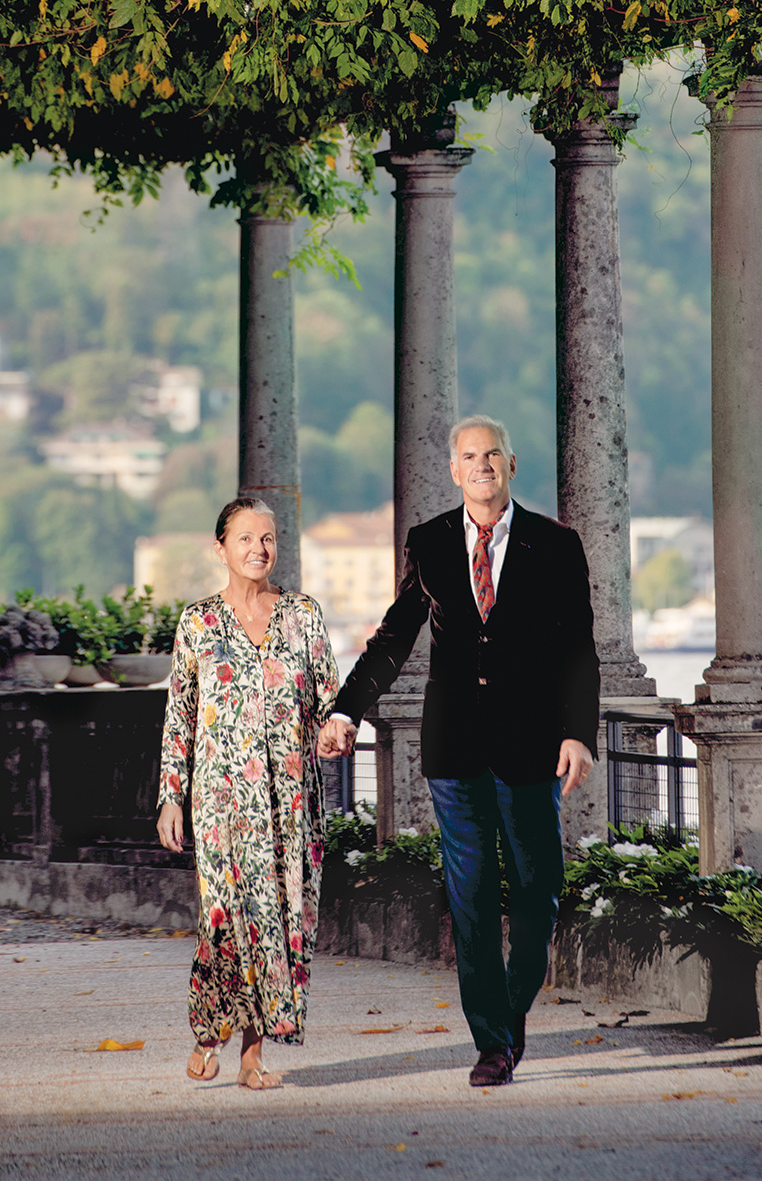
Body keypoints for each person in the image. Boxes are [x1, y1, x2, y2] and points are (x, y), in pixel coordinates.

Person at [318, 415, 600, 1088]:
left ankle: (510, 1012)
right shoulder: (432, 542)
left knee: (538, 896)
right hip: (454, 749)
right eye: (469, 456)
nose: (481, 465)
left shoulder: (555, 545)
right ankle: (493, 1045)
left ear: (511, 464)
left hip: (532, 747)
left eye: (492, 454)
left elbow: (578, 650)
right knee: (469, 897)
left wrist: (577, 732)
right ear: (454, 470)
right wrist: (346, 709)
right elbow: (393, 638)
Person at [157, 497, 339, 1090]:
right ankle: (209, 1030)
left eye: (269, 537)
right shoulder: (198, 623)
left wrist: (337, 728)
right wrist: (170, 795)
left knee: (280, 922)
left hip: (290, 805)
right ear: (221, 548)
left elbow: (328, 700)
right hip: (220, 806)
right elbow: (179, 717)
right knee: (224, 921)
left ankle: (254, 1057)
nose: (260, 549)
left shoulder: (304, 616)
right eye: (245, 538)